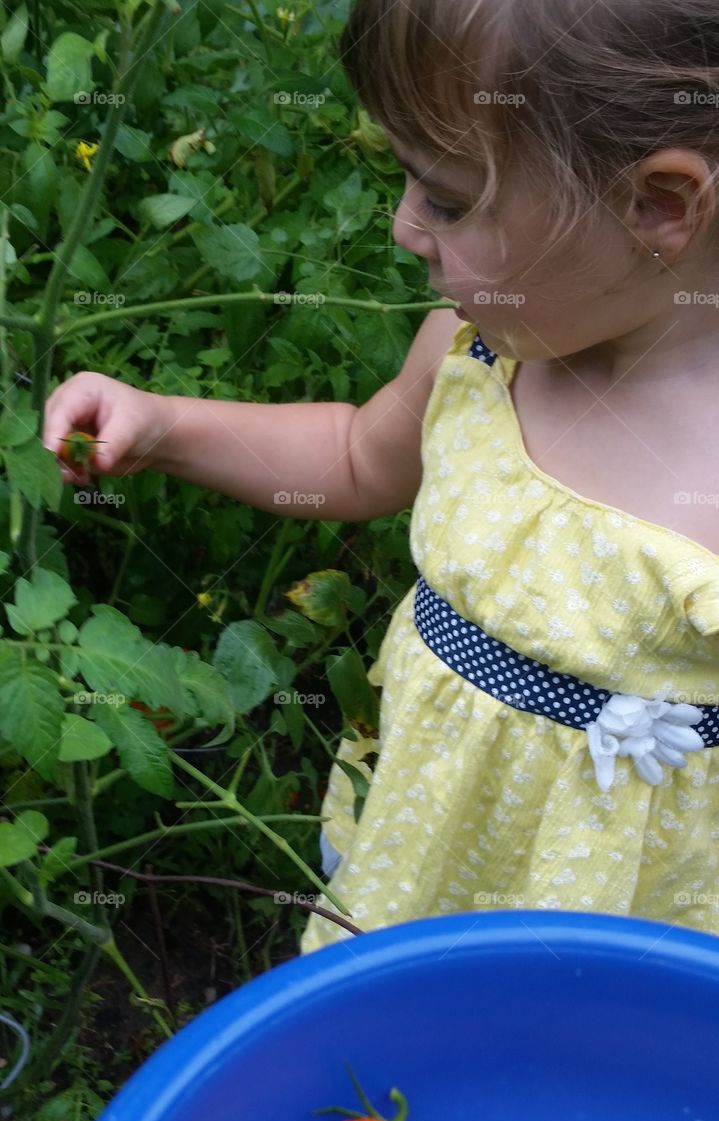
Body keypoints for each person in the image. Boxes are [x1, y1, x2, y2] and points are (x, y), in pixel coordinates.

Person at [43, 0, 719, 954]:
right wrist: (165, 426)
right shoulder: (481, 350)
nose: (405, 228)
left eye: (447, 199)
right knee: (386, 1085)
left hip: (608, 930)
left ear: (658, 205)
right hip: (420, 847)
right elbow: (359, 457)